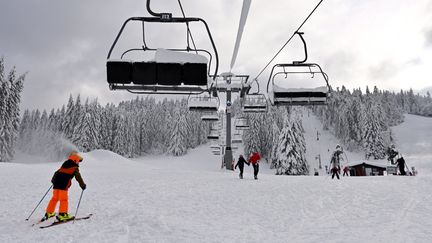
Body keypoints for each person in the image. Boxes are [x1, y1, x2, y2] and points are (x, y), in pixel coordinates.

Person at [41, 152, 86, 222]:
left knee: (54, 198)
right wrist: (82, 185)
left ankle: (49, 212)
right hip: (63, 185)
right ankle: (62, 214)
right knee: (63, 199)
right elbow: (78, 177)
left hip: (56, 185)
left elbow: (56, 173)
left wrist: (53, 181)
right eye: (78, 161)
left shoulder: (64, 165)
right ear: (75, 160)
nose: (78, 163)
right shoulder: (74, 168)